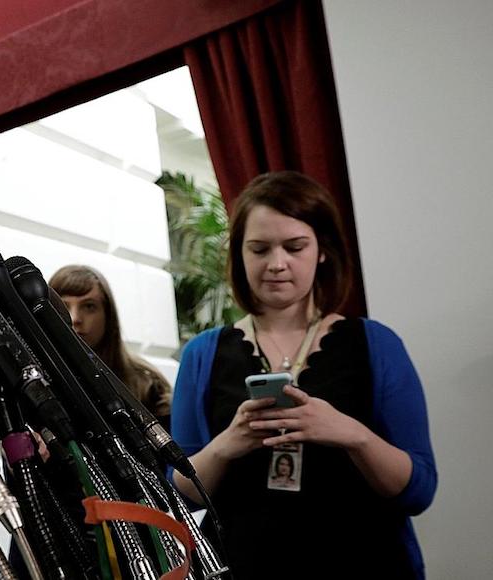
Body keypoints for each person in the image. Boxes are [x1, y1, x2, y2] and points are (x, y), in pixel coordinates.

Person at [170, 171, 436, 579]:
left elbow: (418, 489)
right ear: (239, 255)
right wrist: (228, 443)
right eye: (259, 249)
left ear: (322, 251)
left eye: (295, 247)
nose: (277, 264)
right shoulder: (203, 354)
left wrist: (352, 434)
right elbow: (180, 492)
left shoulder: (376, 344)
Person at [49, 264, 173, 430]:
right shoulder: (37, 381)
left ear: (108, 316)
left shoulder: (147, 383)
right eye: (63, 306)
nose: (75, 318)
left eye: (89, 306)